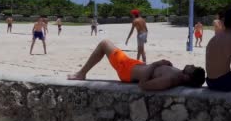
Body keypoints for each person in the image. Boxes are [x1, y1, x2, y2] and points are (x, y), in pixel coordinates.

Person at [67, 39, 206, 91]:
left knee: (104, 44)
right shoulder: (178, 75)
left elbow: (143, 85)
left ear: (188, 77)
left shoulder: (169, 80)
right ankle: (82, 73)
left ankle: (81, 73)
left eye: (192, 68)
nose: (191, 64)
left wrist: (156, 64)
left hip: (126, 69)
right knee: (106, 44)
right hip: (134, 65)